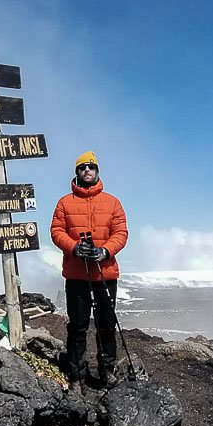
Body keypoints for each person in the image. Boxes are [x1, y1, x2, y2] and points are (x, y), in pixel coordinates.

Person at [50, 150, 128, 391]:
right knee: (78, 326)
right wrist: (74, 248)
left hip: (104, 274)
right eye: (82, 167)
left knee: (106, 324)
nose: (87, 170)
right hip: (76, 275)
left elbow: (121, 233)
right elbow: (56, 231)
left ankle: (107, 373)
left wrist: (105, 251)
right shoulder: (64, 202)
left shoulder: (112, 202)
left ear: (97, 172)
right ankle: (78, 376)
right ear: (77, 172)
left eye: (91, 167)